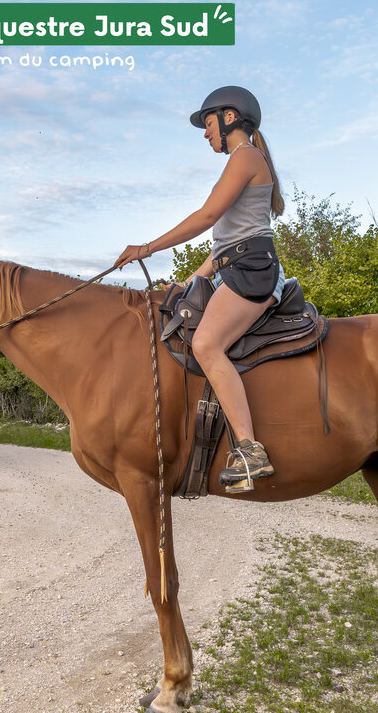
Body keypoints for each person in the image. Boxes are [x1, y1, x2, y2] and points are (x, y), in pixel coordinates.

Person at [115, 85, 286, 493]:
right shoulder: (243, 160)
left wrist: (147, 247)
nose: (205, 133)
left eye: (208, 123)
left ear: (230, 117)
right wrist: (193, 278)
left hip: (251, 271)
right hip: (237, 266)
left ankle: (250, 451)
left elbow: (207, 216)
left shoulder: (246, 156)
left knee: (207, 345)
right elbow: (226, 242)